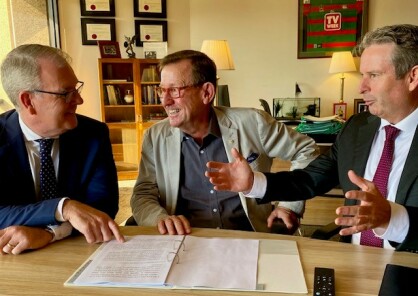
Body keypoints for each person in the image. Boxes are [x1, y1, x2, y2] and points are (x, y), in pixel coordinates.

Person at [206, 24, 418, 252]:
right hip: (355, 262)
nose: (361, 87)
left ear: (412, 77)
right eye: (362, 76)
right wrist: (253, 183)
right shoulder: (357, 128)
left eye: (374, 76)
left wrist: (391, 218)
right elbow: (309, 180)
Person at [130, 49, 319, 235]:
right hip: (185, 241)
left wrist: (289, 205)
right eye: (161, 91)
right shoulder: (155, 137)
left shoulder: (253, 122)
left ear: (207, 92)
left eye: (174, 90)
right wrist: (159, 218)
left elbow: (307, 149)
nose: (165, 101)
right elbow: (143, 193)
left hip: (249, 238)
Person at [0, 44, 124, 255]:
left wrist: (50, 233)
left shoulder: (94, 134)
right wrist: (63, 208)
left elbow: (103, 208)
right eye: (66, 93)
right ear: (28, 101)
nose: (79, 100)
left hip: (78, 253)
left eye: (76, 89)